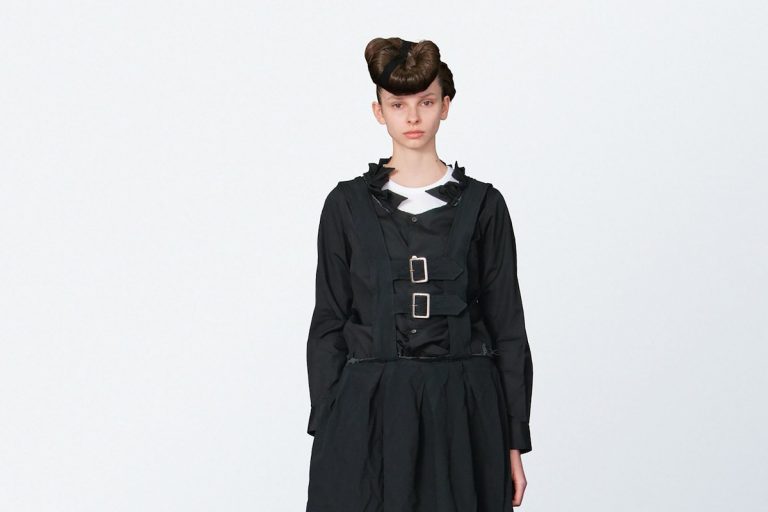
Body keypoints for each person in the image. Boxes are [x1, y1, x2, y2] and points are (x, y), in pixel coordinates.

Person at [305, 36, 534, 511]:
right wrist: (328, 427)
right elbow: (328, 322)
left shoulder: (484, 206)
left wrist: (514, 441)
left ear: (445, 106)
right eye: (398, 104)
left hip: (464, 410)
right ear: (379, 112)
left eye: (426, 102)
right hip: (368, 410)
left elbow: (508, 328)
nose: (412, 117)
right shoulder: (345, 206)